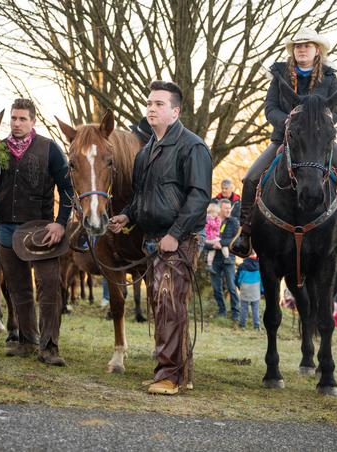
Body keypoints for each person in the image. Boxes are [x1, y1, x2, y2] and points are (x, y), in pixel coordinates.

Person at [231, 28, 337, 258]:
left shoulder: (330, 77)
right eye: (298, 46)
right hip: (284, 138)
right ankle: (245, 231)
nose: (302, 50)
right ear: (293, 51)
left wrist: (318, 127)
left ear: (317, 50)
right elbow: (270, 108)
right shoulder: (279, 74)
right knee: (251, 177)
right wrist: (290, 124)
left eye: (307, 46)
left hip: (319, 143)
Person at [109, 80, 212, 395]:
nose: (151, 108)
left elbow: (199, 197)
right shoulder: (147, 151)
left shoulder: (192, 146)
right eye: (149, 103)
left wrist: (175, 234)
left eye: (159, 104)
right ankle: (181, 373)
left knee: (169, 303)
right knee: (163, 305)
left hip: (178, 240)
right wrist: (127, 215)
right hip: (152, 238)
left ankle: (168, 377)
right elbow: (141, 197)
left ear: (175, 111)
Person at [0, 98, 74, 366]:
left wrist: (61, 222)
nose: (17, 124)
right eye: (14, 119)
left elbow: (68, 189)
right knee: (18, 289)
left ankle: (49, 347)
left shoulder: (50, 149)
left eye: (22, 119)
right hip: (5, 227)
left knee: (49, 288)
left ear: (33, 121)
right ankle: (26, 341)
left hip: (41, 230)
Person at [205, 198, 241, 320]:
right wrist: (212, 245)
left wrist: (222, 244)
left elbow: (237, 241)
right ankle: (222, 311)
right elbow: (203, 241)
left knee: (231, 287)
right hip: (214, 259)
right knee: (216, 288)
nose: (228, 210)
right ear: (219, 209)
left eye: (229, 208)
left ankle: (236, 313)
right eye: (225, 208)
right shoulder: (210, 221)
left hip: (228, 259)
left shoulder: (234, 222)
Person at [236, 255, 261, 330]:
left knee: (244, 308)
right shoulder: (260, 266)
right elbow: (262, 281)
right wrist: (262, 290)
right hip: (255, 289)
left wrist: (239, 286)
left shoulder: (242, 266)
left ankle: (242, 325)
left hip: (245, 288)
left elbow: (238, 279)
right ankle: (256, 326)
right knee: (255, 308)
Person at [204, 202, 222, 272]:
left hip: (211, 237)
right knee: (219, 243)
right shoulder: (209, 218)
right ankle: (226, 257)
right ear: (211, 212)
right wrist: (218, 220)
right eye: (216, 213)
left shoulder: (211, 218)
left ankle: (209, 264)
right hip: (209, 237)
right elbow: (215, 226)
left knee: (212, 250)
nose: (217, 215)